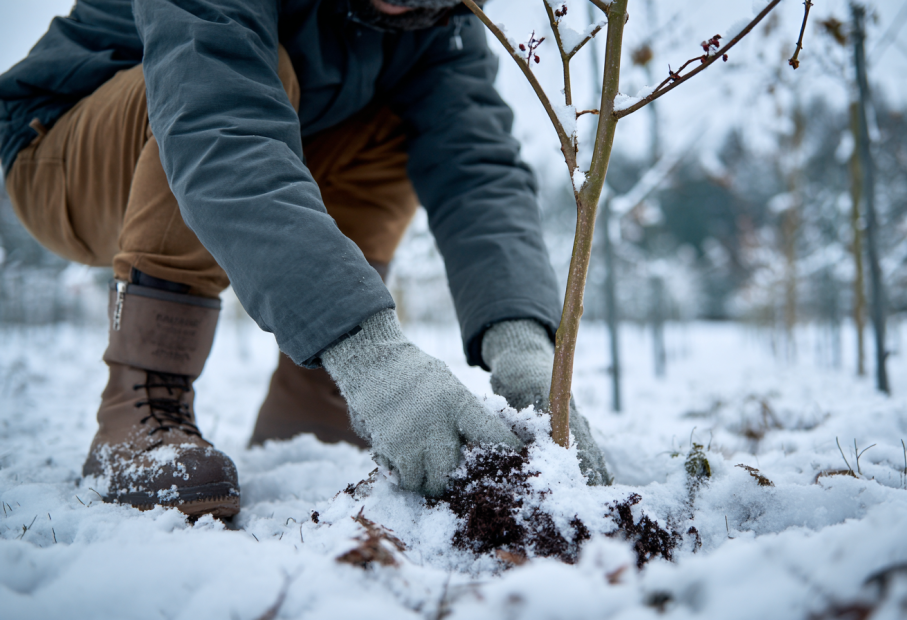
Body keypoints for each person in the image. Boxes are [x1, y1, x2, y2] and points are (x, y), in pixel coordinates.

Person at [0, 0, 611, 519]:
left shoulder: (440, 22)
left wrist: (525, 346)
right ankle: (141, 404)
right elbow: (219, 124)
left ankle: (314, 412)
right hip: (60, 150)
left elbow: (477, 171)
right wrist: (374, 357)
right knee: (255, 82)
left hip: (262, 134)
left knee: (398, 125)